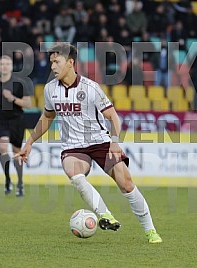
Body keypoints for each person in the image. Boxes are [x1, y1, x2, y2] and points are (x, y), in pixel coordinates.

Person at [15, 43, 162, 243]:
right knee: (75, 174)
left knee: (126, 184)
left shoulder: (91, 88)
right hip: (73, 147)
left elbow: (113, 116)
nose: (52, 67)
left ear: (70, 63)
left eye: (56, 62)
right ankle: (105, 215)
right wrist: (30, 142)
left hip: (100, 142)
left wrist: (115, 142)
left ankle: (150, 231)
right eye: (51, 63)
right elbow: (48, 117)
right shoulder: (50, 90)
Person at [0, 55, 33, 197]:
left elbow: (28, 104)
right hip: (1, 120)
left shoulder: (19, 83)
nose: (5, 66)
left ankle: (20, 182)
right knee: (2, 147)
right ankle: (7, 180)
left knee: (16, 153)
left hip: (17, 120)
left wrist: (13, 98)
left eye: (8, 64)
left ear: (12, 66)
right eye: (2, 64)